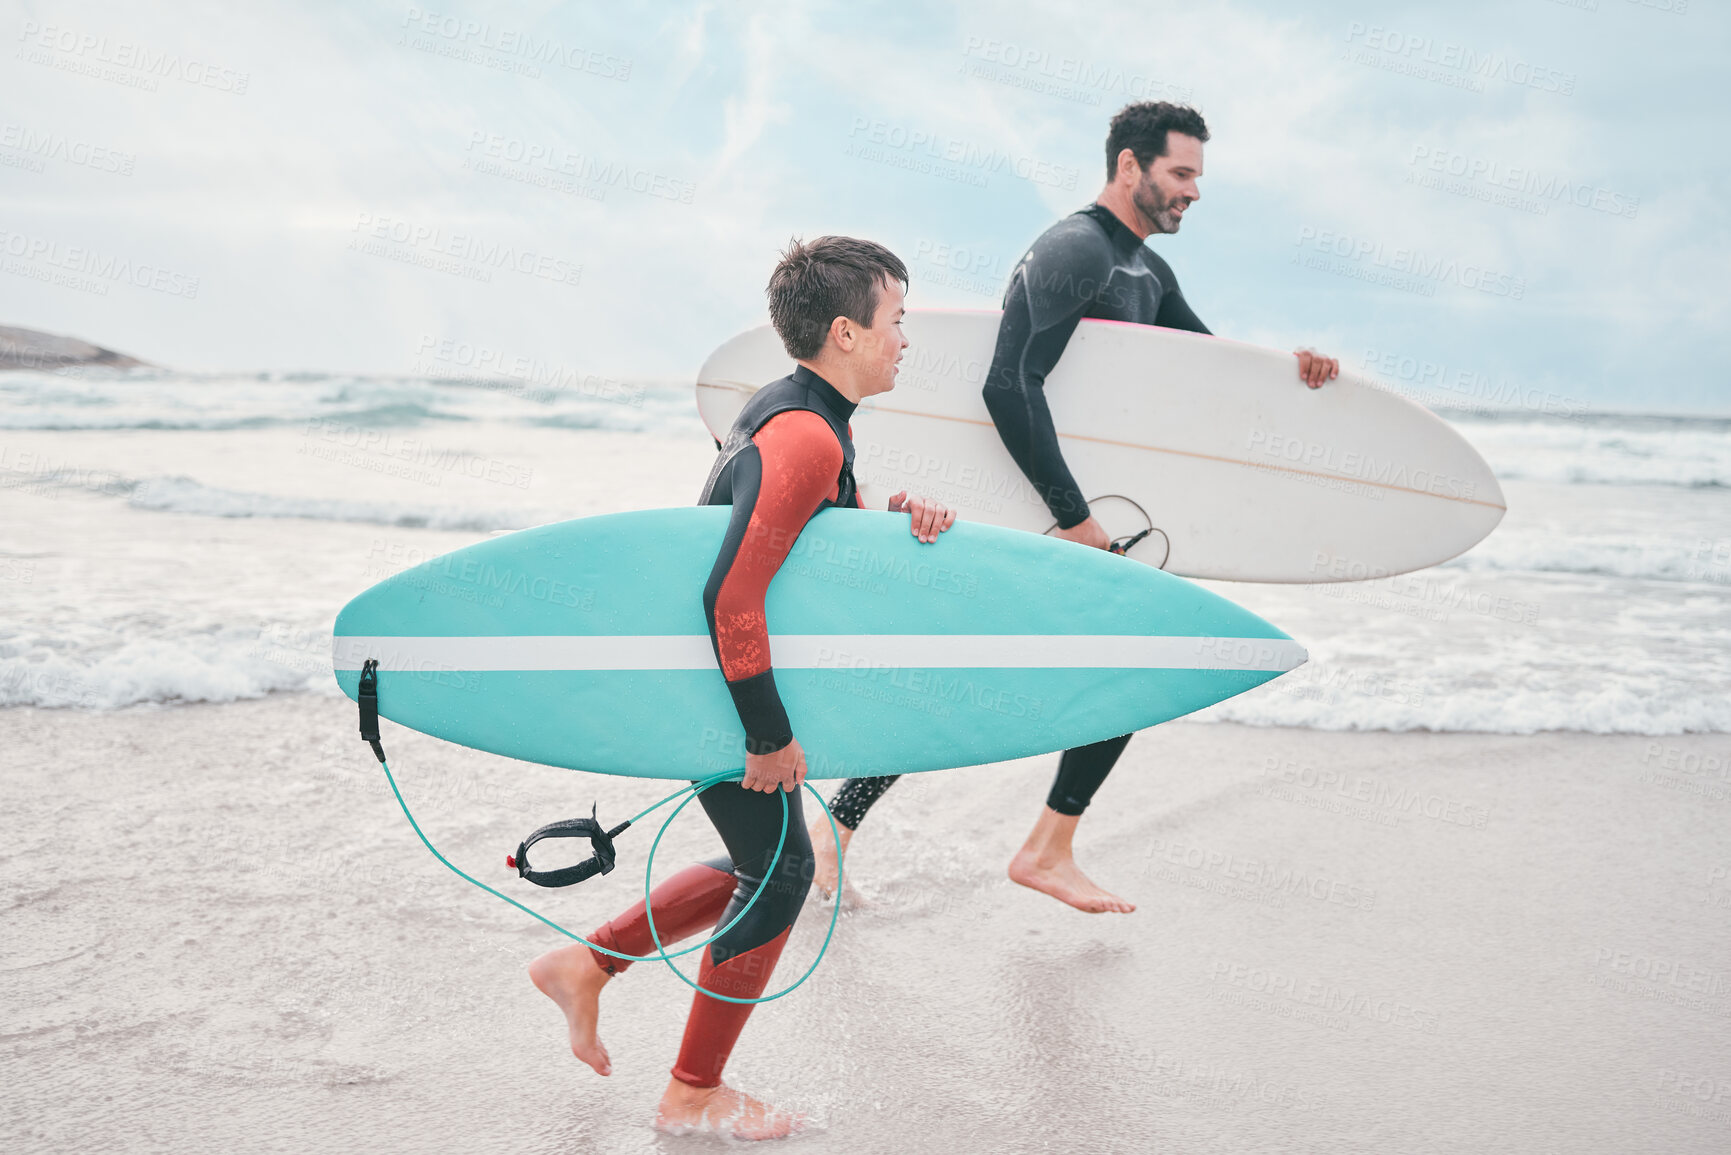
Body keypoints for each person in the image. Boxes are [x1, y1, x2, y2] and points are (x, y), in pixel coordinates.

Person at [811, 102, 1341, 915]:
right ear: (1129, 167)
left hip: (1071, 511)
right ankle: (989, 846)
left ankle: (941, 842)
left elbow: (1205, 377)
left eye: (1198, 175)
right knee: (1064, 666)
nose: (1193, 191)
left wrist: (1290, 373)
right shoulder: (1075, 250)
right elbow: (1007, 381)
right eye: (1181, 173)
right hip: (1038, 507)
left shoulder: (1144, 271)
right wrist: (1073, 517)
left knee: (1050, 666)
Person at [526, 237, 955, 1140]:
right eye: (896, 319)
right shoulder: (803, 433)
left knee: (763, 865)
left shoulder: (801, 416)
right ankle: (691, 1090)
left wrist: (889, 520)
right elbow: (731, 592)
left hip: (710, 681)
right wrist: (766, 734)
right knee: (784, 870)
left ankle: (586, 964)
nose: (905, 338)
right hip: (729, 684)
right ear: (846, 331)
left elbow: (800, 549)